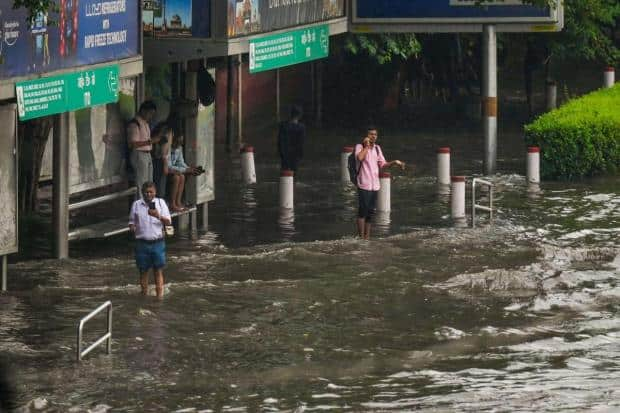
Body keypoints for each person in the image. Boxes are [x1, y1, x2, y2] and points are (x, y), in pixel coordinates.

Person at [355, 127, 405, 240]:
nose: (373, 136)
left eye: (375, 134)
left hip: (375, 185)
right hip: (364, 183)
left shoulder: (377, 148)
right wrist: (366, 146)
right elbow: (360, 157)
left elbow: (383, 165)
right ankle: (360, 237)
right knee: (362, 211)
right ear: (366, 136)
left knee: (370, 212)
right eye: (371, 134)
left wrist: (395, 162)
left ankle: (367, 237)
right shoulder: (359, 147)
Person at [129, 181, 172, 299]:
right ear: (142, 193)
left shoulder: (161, 203)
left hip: (157, 242)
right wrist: (132, 227)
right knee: (143, 271)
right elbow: (131, 221)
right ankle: (144, 296)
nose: (148, 194)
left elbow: (168, 222)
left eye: (151, 192)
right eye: (146, 192)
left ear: (155, 192)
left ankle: (159, 298)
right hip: (141, 243)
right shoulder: (136, 204)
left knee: (158, 270)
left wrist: (157, 216)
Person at [127, 101, 160, 198]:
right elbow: (133, 144)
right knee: (141, 183)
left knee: (149, 183)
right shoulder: (135, 124)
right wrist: (150, 141)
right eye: (150, 113)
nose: (151, 116)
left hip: (147, 154)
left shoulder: (145, 123)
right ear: (143, 111)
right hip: (139, 154)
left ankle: (149, 205)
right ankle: (141, 207)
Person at [167, 134, 199, 212]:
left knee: (182, 176)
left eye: (181, 142)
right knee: (177, 177)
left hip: (175, 170)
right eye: (177, 142)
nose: (179, 144)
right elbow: (169, 166)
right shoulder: (167, 148)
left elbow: (181, 162)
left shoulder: (179, 148)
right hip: (166, 171)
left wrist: (189, 168)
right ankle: (172, 203)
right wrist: (185, 170)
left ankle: (178, 201)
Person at [277, 105, 306, 172]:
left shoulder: (283, 125)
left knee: (284, 173)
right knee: (294, 173)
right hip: (295, 154)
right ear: (299, 115)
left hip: (285, 152)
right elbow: (301, 142)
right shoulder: (301, 127)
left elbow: (280, 140)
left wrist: (280, 152)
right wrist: (301, 154)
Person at [151, 123, 172, 199]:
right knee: (160, 186)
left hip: (154, 160)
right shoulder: (166, 133)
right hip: (160, 161)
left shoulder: (156, 133)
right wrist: (165, 164)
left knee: (156, 184)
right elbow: (164, 151)